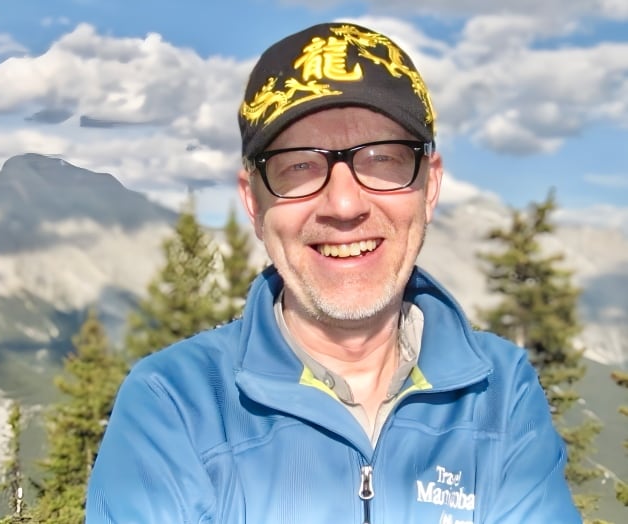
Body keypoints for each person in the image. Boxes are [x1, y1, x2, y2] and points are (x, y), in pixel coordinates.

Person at [86, 22, 581, 524]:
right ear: (253, 203)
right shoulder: (173, 405)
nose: (344, 204)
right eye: (298, 166)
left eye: (383, 159)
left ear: (429, 187)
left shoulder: (500, 393)